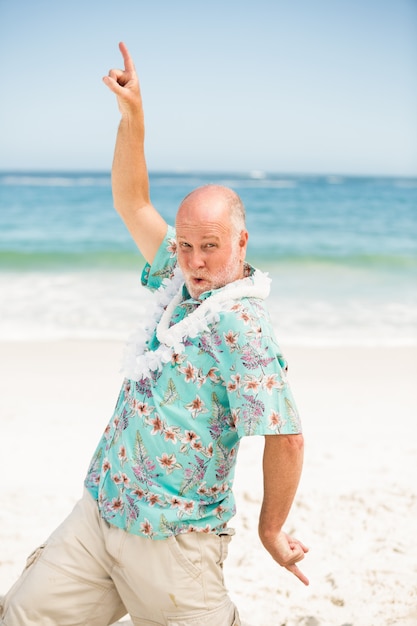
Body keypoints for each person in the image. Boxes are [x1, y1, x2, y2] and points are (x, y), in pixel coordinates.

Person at [0, 42, 308, 626]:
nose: (192, 260)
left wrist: (271, 529)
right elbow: (131, 199)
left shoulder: (244, 327)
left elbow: (285, 436)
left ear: (242, 244)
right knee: (21, 614)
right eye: (186, 245)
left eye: (209, 247)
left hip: (172, 542)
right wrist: (132, 118)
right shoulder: (176, 280)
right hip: (102, 510)